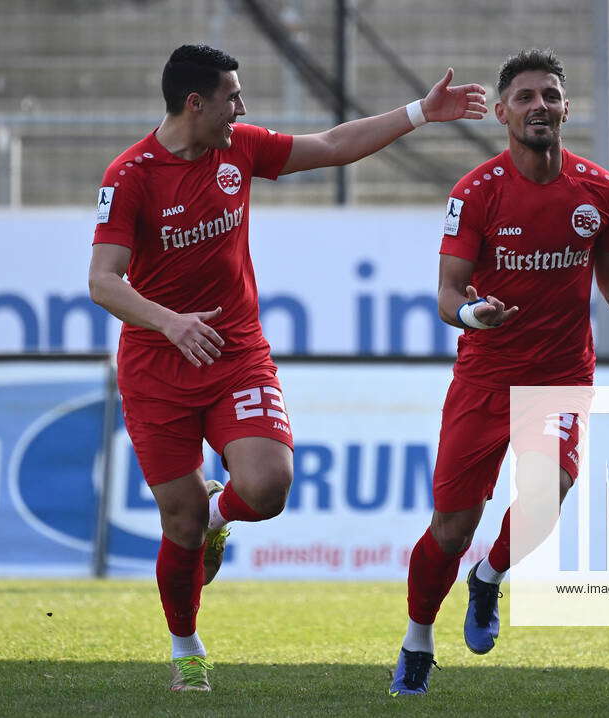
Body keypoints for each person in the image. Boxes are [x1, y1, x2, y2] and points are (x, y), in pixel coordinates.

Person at [88, 44, 486, 692]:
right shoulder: (130, 175)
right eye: (232, 97)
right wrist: (169, 320)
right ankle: (186, 645)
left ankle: (223, 515)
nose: (242, 107)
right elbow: (103, 282)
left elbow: (331, 144)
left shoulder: (238, 149)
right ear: (196, 103)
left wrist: (419, 111)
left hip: (234, 352)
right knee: (179, 520)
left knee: (268, 486)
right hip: (157, 367)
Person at [388, 48, 609, 696]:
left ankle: (490, 578)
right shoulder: (475, 194)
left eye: (551, 96)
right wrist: (473, 315)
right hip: (484, 377)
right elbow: (448, 292)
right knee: (450, 530)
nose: (540, 106)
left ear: (566, 109)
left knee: (548, 491)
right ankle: (418, 637)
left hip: (560, 375)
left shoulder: (600, 191)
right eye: (526, 97)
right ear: (503, 112)